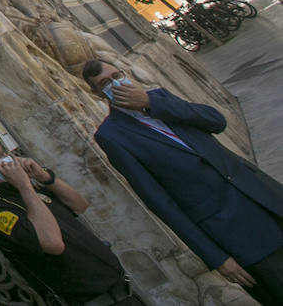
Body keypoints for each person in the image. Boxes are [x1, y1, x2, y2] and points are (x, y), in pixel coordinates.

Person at [83, 60, 283, 304]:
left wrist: (150, 104)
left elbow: (215, 121)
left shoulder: (159, 98)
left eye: (117, 75)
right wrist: (215, 257)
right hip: (234, 230)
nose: (116, 83)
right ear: (95, 92)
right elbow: (159, 201)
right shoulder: (111, 135)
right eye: (106, 82)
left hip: (265, 197)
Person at [0, 133, 140, 305]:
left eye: (3, 151)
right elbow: (52, 243)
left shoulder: (19, 190)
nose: (5, 158)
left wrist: (43, 176)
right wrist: (24, 185)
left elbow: (79, 204)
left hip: (123, 291)